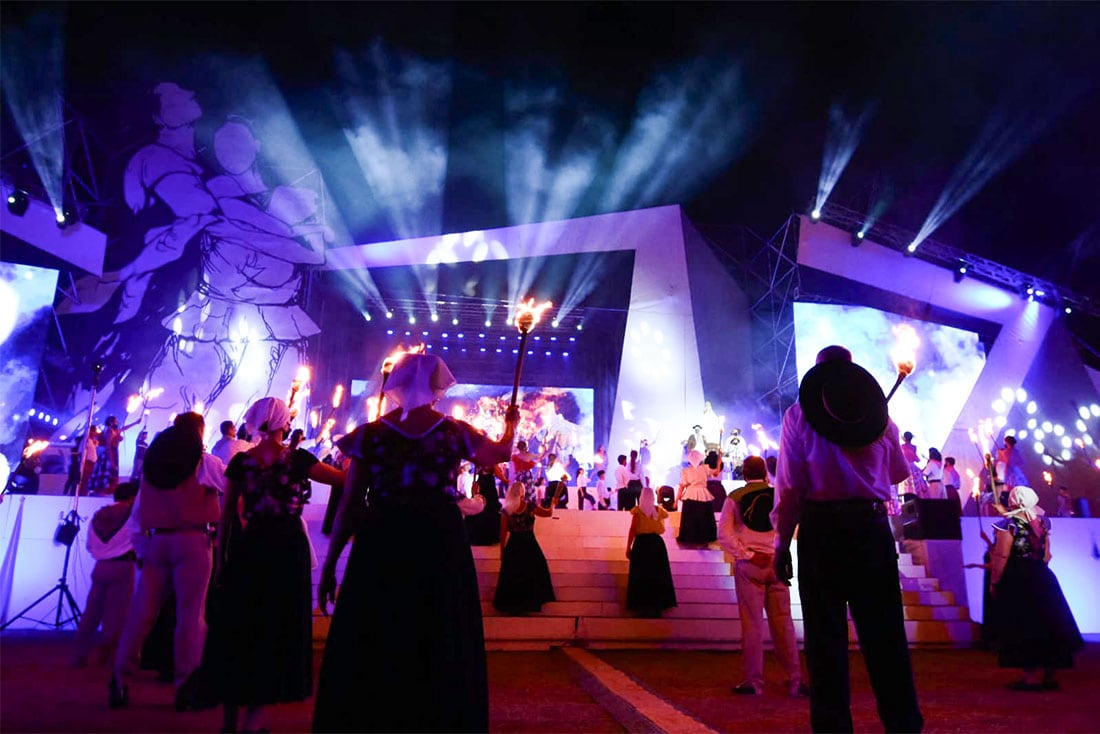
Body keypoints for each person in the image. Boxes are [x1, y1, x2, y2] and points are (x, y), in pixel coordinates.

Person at [313, 353, 518, 732]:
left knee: (379, 625)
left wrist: (331, 564)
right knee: (437, 624)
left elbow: (351, 502)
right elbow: (500, 454)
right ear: (437, 388)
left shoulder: (372, 435)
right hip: (437, 538)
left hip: (383, 535)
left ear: (399, 387)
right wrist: (511, 427)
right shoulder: (453, 431)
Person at [773, 345, 922, 733]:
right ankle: (904, 725)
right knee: (886, 636)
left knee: (825, 642)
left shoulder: (799, 414)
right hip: (871, 529)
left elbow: (790, 487)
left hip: (822, 530)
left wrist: (781, 541)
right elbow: (896, 474)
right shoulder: (879, 416)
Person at [213, 397, 345, 734]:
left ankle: (231, 718)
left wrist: (219, 563)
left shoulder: (242, 462)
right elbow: (342, 480)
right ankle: (254, 719)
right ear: (284, 423)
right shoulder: (298, 459)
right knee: (274, 629)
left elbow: (226, 516)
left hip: (250, 546)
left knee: (241, 627)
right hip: (286, 548)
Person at [110, 425, 221, 710]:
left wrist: (143, 548)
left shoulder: (152, 466)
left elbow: (137, 514)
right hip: (193, 540)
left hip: (157, 541)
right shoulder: (203, 463)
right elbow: (230, 481)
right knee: (191, 616)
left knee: (141, 613)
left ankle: (120, 679)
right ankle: (186, 685)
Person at [718, 456, 805, 697]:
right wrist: (779, 550)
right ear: (765, 472)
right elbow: (789, 525)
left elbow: (723, 534)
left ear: (743, 474)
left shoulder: (735, 497)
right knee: (784, 623)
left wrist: (745, 553)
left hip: (751, 564)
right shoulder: (778, 494)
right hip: (776, 563)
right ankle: (795, 679)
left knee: (752, 625)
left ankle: (753, 682)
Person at [990, 486, 1083, 691]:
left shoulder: (1009, 524)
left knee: (1024, 624)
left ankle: (1030, 677)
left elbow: (1003, 554)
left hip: (1019, 578)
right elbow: (1047, 555)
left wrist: (995, 581)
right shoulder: (1042, 522)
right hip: (1042, 576)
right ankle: (1050, 673)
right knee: (1049, 622)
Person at [72, 481, 139, 668]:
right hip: (123, 566)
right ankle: (108, 660)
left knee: (91, 614)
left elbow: (89, 545)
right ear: (133, 497)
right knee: (115, 616)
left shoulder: (99, 514)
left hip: (100, 567)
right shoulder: (134, 513)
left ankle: (79, 656)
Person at [494, 480, 559, 615]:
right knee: (533, 570)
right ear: (523, 492)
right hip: (529, 542)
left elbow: (502, 533)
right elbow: (548, 513)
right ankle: (532, 602)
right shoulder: (529, 506)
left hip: (514, 545)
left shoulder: (506, 510)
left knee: (514, 573)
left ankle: (513, 604)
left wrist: (502, 552)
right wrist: (553, 502)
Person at [625, 485, 677, 618]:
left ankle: (642, 606)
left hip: (641, 544)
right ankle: (658, 605)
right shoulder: (658, 511)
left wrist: (628, 547)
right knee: (658, 574)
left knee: (641, 575)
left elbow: (633, 529)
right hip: (656, 544)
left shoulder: (638, 511)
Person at [676, 450, 717, 544]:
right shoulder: (705, 468)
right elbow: (716, 472)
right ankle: (705, 536)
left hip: (690, 494)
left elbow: (682, 486)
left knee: (690, 518)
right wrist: (719, 461)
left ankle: (689, 536)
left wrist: (676, 500)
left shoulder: (686, 471)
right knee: (704, 517)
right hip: (702, 494)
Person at [466, 464, 505, 545]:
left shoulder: (493, 467)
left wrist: (506, 480)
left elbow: (501, 477)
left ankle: (489, 537)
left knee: (490, 514)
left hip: (490, 496)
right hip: (481, 493)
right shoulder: (479, 468)